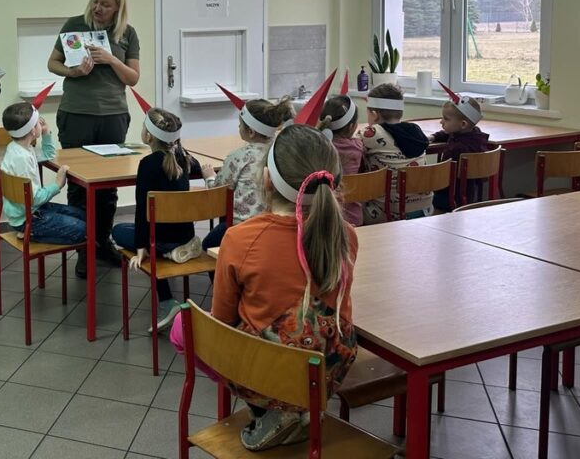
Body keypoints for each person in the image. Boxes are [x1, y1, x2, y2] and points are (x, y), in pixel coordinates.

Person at [173, 124, 358, 451]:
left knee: (181, 325)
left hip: (265, 376)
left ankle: (268, 410)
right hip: (327, 373)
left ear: (267, 180)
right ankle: (299, 407)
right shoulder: (345, 236)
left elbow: (223, 319)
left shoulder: (241, 239)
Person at [47, 0, 140, 277]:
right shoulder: (74, 25)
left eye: (105, 5)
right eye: (95, 2)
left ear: (118, 8)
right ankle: (83, 249)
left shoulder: (128, 34)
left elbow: (133, 78)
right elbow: (53, 63)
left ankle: (103, 242)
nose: (98, 9)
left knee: (108, 186)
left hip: (113, 115)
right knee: (78, 185)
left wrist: (111, 59)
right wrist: (72, 72)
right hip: (76, 113)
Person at [111, 103, 208, 332]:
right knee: (148, 233)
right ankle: (173, 250)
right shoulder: (184, 158)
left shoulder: (147, 165)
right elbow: (196, 166)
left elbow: (142, 211)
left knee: (118, 230)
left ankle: (166, 295)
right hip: (185, 234)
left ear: (148, 135)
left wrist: (142, 246)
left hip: (159, 238)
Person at [203, 90, 294, 250]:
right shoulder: (281, 152)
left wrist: (209, 177)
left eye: (240, 125)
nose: (238, 127)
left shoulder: (238, 157)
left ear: (250, 132)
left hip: (240, 228)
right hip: (273, 227)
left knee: (207, 244)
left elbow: (218, 193)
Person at [0, 99, 86, 244]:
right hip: (27, 217)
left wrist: (45, 133)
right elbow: (35, 198)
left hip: (31, 210)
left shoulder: (18, 147)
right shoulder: (22, 158)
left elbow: (49, 155)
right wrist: (57, 185)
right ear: (33, 131)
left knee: (82, 215)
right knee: (82, 230)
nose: (42, 123)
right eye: (39, 122)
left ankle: (28, 232)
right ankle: (30, 234)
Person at [358, 83, 430, 222]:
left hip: (386, 214)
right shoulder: (416, 131)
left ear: (374, 114)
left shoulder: (371, 133)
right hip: (424, 211)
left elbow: (349, 147)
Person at [430, 86, 488, 210]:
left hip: (451, 199)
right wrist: (435, 136)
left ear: (462, 124)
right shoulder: (475, 135)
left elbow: (442, 180)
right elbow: (448, 134)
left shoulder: (458, 149)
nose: (441, 122)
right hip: (471, 196)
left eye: (446, 119)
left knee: (420, 198)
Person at [318, 93, 365, 225]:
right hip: (355, 220)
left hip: (324, 220)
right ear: (352, 127)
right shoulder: (358, 146)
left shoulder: (318, 147)